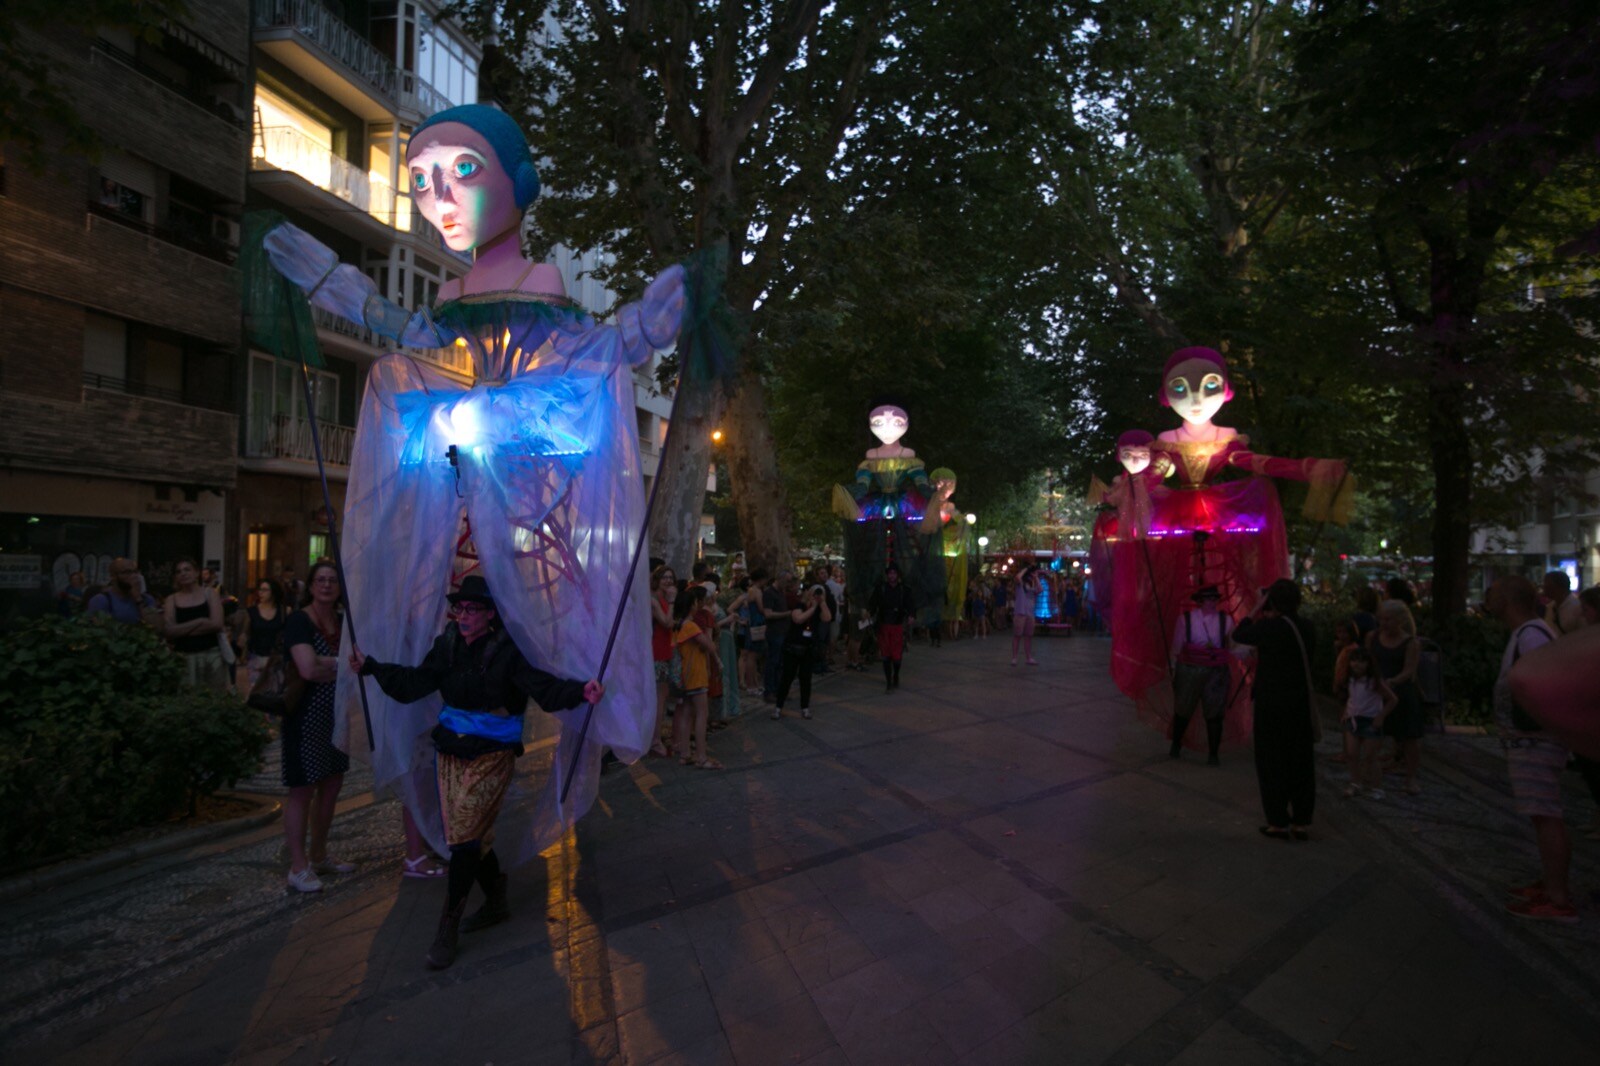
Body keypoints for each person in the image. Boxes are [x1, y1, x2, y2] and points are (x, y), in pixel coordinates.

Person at [350, 575, 604, 964]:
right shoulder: (447, 644)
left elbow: (544, 687)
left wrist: (580, 691)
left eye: (472, 609)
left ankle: (446, 929)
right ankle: (497, 897)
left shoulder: (509, 651)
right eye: (460, 608)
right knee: (469, 838)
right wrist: (371, 667)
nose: (463, 615)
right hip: (450, 751)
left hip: (493, 754)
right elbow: (415, 682)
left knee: (465, 837)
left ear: (490, 614)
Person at [1485, 575, 1575, 922]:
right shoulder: (1528, 633)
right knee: (1542, 815)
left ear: (1507, 599)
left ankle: (1558, 898)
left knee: (1546, 814)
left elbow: (1549, 683)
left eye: (1493, 592)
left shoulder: (1532, 635)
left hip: (1537, 743)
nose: (1488, 597)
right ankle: (1550, 883)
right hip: (1531, 741)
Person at [281, 561, 353, 894]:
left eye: (333, 580)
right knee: (302, 789)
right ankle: (298, 866)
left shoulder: (342, 622)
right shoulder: (299, 622)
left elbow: (358, 662)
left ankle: (320, 854)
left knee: (332, 785)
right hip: (305, 716)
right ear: (310, 586)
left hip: (336, 717)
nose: (326, 585)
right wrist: (341, 666)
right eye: (320, 580)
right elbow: (308, 669)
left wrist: (331, 665)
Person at [1233, 580, 1319, 841]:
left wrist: (1258, 605)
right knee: (1301, 761)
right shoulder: (1307, 628)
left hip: (1272, 704)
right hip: (1300, 704)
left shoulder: (1269, 627)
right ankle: (1302, 821)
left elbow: (1239, 633)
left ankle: (1278, 821)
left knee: (1272, 761)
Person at [1168, 586, 1234, 765]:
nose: (1212, 602)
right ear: (1199, 601)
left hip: (1216, 671)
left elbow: (1233, 646)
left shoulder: (1226, 621)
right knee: (1183, 709)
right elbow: (1176, 647)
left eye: (1215, 599)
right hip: (1189, 669)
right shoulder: (1185, 619)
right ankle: (1176, 744)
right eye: (1208, 599)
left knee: (1215, 713)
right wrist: (1174, 670)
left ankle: (1213, 753)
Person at [1368, 599, 1424, 795]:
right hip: (1377, 692)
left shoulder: (1411, 642)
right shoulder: (1373, 637)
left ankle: (1411, 777)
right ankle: (1371, 776)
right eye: (1381, 619)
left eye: (1388, 619)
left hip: (1401, 693)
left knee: (1409, 738)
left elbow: (1409, 670)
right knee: (1373, 735)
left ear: (1400, 620)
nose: (1384, 623)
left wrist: (1391, 681)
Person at [672, 585, 722, 768]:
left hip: (684, 675)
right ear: (691, 606)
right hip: (695, 674)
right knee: (702, 714)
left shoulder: (677, 625)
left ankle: (685, 753)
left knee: (686, 713)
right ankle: (701, 756)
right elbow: (709, 645)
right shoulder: (690, 626)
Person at [1340, 646, 1396, 800]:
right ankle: (1355, 783)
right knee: (1352, 754)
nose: (1356, 664)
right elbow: (1352, 697)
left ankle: (1376, 786)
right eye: (1354, 661)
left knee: (1370, 757)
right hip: (1353, 719)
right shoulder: (1350, 680)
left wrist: (1381, 716)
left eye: (1361, 661)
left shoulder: (1374, 682)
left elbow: (1392, 699)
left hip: (1370, 720)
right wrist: (1346, 711)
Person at [163, 558, 228, 692]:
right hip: (184, 656)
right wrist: (201, 622)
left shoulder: (209, 594)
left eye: (187, 569)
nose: (183, 573)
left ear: (196, 573)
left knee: (214, 696)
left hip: (211, 655)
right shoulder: (171, 600)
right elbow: (169, 631)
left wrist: (182, 630)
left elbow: (217, 624)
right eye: (178, 571)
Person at [774, 583, 832, 721]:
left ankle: (805, 708)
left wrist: (822, 602)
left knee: (806, 679)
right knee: (787, 678)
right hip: (792, 648)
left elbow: (827, 618)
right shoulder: (799, 605)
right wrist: (812, 607)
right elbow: (798, 619)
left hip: (808, 649)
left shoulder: (819, 608)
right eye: (814, 593)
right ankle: (778, 708)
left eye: (818, 593)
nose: (816, 596)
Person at [869, 564, 913, 691]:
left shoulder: (904, 590)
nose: (891, 575)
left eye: (894, 573)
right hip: (883, 625)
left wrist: (911, 615)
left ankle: (896, 675)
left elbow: (910, 604)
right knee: (885, 655)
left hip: (898, 625)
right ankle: (888, 681)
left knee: (897, 656)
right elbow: (873, 603)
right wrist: (868, 613)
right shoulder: (881, 588)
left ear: (897, 575)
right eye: (890, 573)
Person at [649, 565, 678, 757]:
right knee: (658, 700)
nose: (668, 581)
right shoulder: (653, 600)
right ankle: (655, 741)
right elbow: (666, 622)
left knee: (662, 697)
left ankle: (655, 737)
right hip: (656, 653)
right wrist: (673, 601)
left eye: (670, 577)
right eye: (664, 577)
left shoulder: (662, 599)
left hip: (666, 651)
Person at [244, 578, 289, 692]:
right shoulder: (251, 612)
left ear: (273, 592)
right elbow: (246, 633)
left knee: (276, 693)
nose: (261, 593)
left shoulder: (284, 611)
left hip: (276, 659)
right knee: (257, 693)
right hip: (256, 658)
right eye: (260, 590)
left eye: (265, 590)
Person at [85, 557, 158, 624]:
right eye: (127, 572)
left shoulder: (147, 599)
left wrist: (138, 599)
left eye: (135, 572)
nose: (133, 576)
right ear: (113, 576)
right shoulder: (101, 600)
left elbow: (157, 627)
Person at [761, 571, 796, 701]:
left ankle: (778, 690)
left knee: (780, 663)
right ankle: (769, 691)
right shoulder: (769, 593)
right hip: (775, 632)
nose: (788, 584)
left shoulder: (781, 593)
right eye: (787, 581)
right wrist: (787, 614)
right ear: (780, 579)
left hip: (783, 632)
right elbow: (768, 614)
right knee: (773, 662)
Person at [1011, 564, 1041, 666]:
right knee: (1017, 635)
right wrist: (1026, 568)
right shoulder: (1020, 585)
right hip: (1020, 612)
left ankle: (1028, 658)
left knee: (1028, 636)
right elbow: (1018, 577)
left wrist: (1036, 577)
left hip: (1030, 614)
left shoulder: (1032, 587)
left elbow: (1040, 590)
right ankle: (1014, 658)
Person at [1542, 571, 1583, 635]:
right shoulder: (1551, 606)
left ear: (1560, 587)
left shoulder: (1578, 607)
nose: (1544, 589)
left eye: (1548, 586)